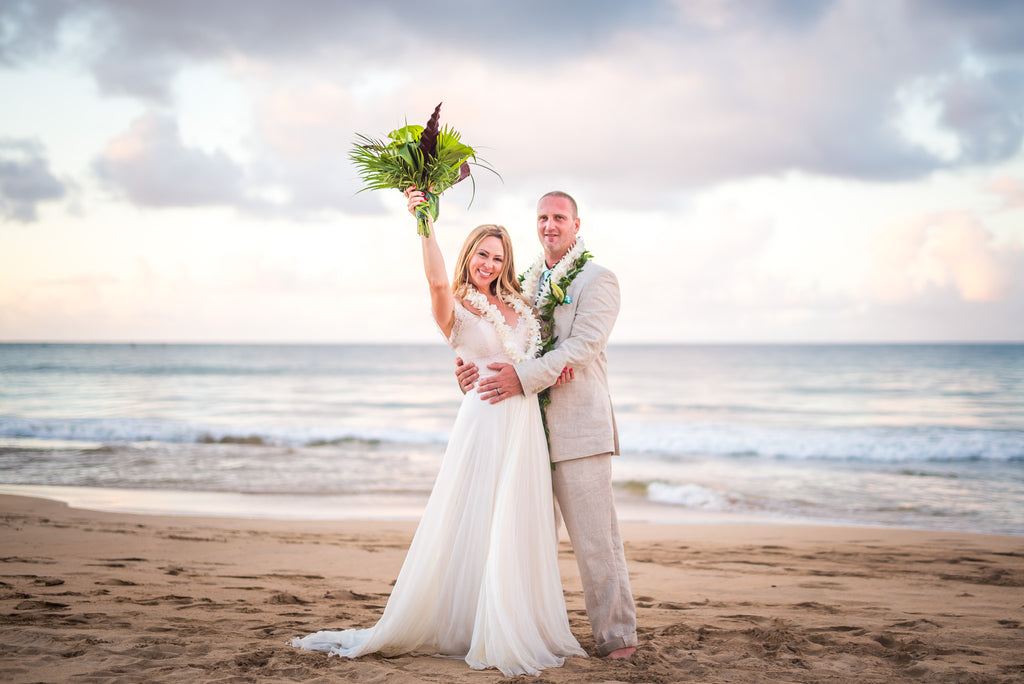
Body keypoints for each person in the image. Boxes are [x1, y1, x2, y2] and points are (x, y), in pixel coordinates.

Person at [290, 188, 585, 677]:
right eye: (480, 254)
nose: (487, 264)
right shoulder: (457, 307)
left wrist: (559, 369)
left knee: (517, 521)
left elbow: (536, 353)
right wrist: (425, 223)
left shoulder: (519, 303)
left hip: (524, 426)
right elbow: (435, 284)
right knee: (479, 520)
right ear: (467, 254)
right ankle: (478, 626)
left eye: (497, 257)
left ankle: (515, 617)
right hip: (487, 422)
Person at [456, 190, 638, 659]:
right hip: (526, 433)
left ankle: (617, 638)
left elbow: (583, 347)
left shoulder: (599, 280)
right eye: (542, 217)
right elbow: (504, 338)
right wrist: (469, 366)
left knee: (596, 543)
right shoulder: (529, 282)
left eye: (559, 217)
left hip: (578, 429)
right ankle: (525, 632)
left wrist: (524, 376)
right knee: (526, 542)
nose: (549, 225)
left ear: (577, 225)